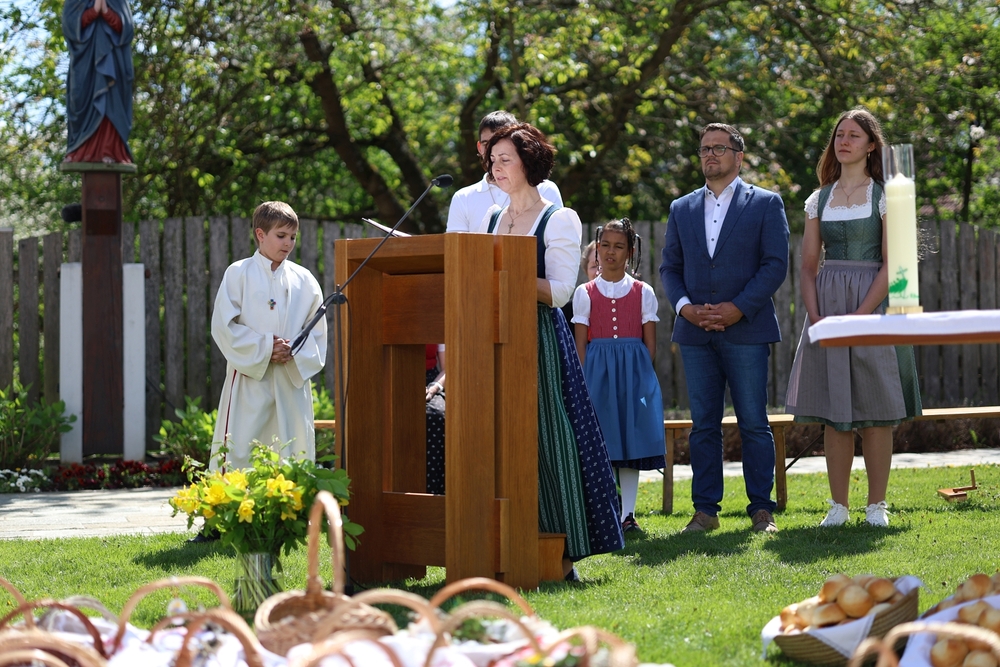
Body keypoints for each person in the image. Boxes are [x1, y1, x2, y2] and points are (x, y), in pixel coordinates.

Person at [476, 122, 624, 578]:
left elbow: (560, 292)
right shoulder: (491, 218)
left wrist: (507, 272)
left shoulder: (558, 218)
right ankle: (502, 546)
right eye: (492, 160)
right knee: (497, 440)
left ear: (529, 163)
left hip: (538, 338)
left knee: (549, 438)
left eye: (505, 159)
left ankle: (562, 554)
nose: (496, 168)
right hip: (491, 336)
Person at [785, 108, 922, 528]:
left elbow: (894, 262)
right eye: (839, 135)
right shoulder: (819, 198)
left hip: (873, 304)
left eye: (854, 135)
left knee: (877, 409)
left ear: (871, 145)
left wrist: (862, 316)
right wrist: (816, 315)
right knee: (835, 411)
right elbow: (808, 265)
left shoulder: (886, 195)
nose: (844, 142)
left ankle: (876, 505)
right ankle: (838, 507)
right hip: (827, 305)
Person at [659, 122, 789, 534]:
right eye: (704, 149)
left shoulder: (766, 203)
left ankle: (761, 509)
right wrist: (685, 309)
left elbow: (775, 265)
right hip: (695, 332)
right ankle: (705, 511)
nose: (710, 155)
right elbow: (670, 268)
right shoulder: (681, 208)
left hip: (747, 330)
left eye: (718, 148)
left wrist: (738, 308)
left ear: (739, 156)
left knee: (753, 422)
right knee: (703, 426)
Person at [211, 201, 328, 471]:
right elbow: (223, 326)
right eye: (281, 235)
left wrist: (293, 351)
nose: (288, 243)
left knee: (291, 452)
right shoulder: (238, 273)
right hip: (250, 379)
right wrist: (265, 348)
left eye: (293, 237)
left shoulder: (305, 280)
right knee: (242, 450)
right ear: (260, 234)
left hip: (290, 381)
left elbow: (317, 332)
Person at [572, 219, 665, 534]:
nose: (611, 252)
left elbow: (650, 344)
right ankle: (603, 512)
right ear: (597, 248)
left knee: (630, 441)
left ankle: (628, 514)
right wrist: (585, 380)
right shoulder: (584, 293)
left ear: (630, 252)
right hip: (597, 376)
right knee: (603, 441)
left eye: (619, 246)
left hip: (633, 377)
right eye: (605, 245)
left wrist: (638, 376)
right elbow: (580, 345)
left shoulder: (643, 292)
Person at [446, 111, 563, 233]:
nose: (492, 149)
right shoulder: (464, 198)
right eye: (487, 144)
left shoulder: (546, 190)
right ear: (479, 148)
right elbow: (456, 244)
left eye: (505, 158)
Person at [62, 0, 134, 163]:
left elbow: (127, 29)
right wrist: (94, 11)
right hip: (85, 65)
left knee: (110, 103)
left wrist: (106, 12)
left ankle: (109, 151)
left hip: (112, 64)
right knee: (80, 98)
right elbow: (69, 25)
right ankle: (80, 149)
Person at [424, 344, 446, 495]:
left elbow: (446, 368)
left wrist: (433, 388)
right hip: (395, 374)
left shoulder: (439, 331)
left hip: (431, 380)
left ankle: (435, 492)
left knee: (437, 415)